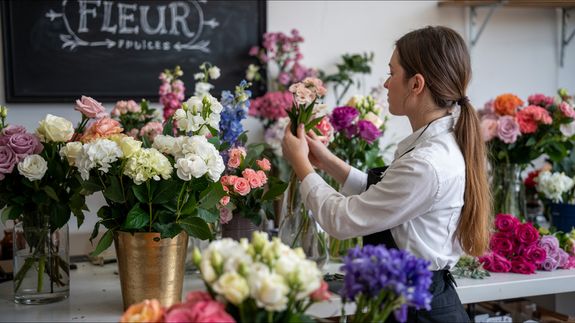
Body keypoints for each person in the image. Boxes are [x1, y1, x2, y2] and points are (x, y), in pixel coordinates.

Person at [282, 25, 490, 322]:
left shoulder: (426, 163)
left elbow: (341, 219)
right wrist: (328, 163)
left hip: (419, 311)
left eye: (392, 73)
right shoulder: (436, 145)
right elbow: (389, 195)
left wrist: (301, 165)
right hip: (414, 300)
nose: (386, 84)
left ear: (416, 84)